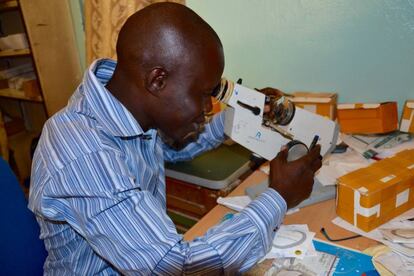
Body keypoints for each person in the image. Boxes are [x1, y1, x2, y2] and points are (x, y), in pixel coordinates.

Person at [29, 3, 322, 275]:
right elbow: (174, 267)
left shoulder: (127, 105)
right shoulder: (83, 154)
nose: (208, 108)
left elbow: (169, 149)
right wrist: (279, 195)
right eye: (203, 93)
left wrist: (240, 118)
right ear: (157, 80)